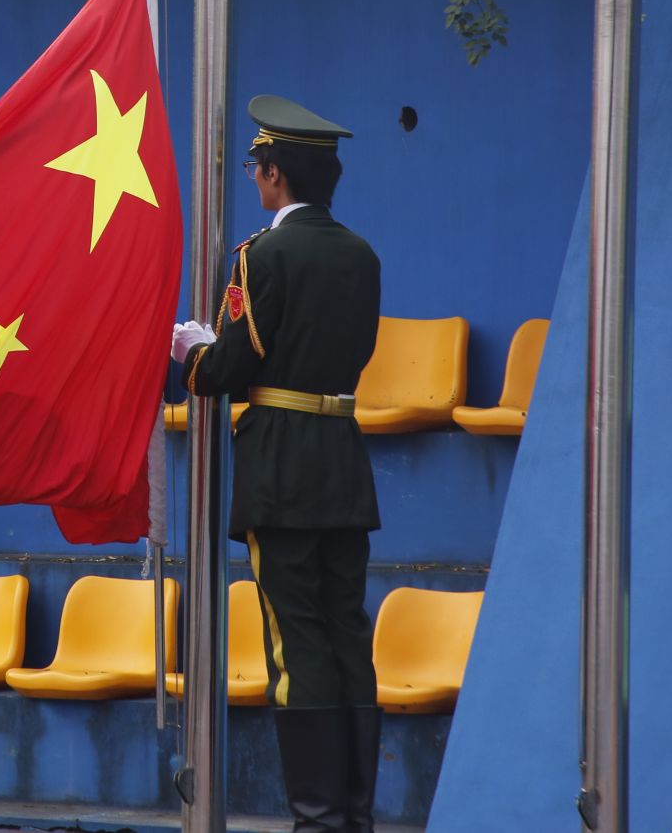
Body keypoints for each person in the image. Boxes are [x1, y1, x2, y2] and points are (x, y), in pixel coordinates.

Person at [169, 96, 383, 833]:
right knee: (347, 630)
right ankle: (351, 815)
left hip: (282, 462)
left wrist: (194, 351)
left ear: (273, 175)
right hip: (342, 454)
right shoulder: (361, 254)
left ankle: (317, 819)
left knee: (296, 639)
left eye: (257, 167)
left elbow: (228, 368)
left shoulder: (261, 255)